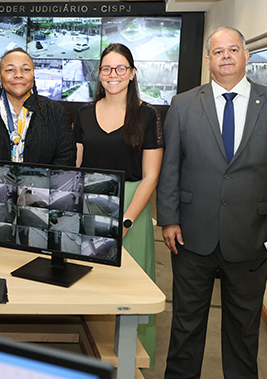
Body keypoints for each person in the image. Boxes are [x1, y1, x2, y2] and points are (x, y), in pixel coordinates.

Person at [157, 27, 267, 378]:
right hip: (191, 237)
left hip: (252, 239)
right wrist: (169, 219)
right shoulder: (183, 104)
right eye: (218, 51)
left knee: (243, 330)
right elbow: (171, 167)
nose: (225, 56)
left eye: (233, 49)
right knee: (185, 326)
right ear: (208, 60)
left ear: (246, 56)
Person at [74, 43, 163, 368]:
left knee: (132, 291)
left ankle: (130, 363)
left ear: (132, 73)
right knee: (91, 283)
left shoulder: (148, 114)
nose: (113, 75)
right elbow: (78, 165)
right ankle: (94, 357)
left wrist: (124, 221)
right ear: (99, 74)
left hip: (132, 211)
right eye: (107, 69)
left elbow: (151, 176)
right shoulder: (84, 113)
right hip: (91, 205)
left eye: (120, 68)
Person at [0, 48, 75, 166]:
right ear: (0, 76)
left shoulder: (55, 111)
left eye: (25, 69)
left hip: (41, 184)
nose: (18, 75)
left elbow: (66, 158)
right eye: (10, 70)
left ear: (33, 74)